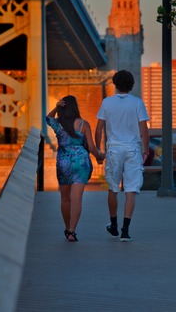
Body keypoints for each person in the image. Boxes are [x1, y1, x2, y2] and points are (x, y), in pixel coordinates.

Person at [95, 70, 150, 242]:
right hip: (133, 149)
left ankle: (113, 226)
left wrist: (98, 150)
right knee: (131, 190)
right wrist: (146, 150)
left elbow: (99, 129)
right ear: (131, 84)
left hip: (113, 149)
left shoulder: (107, 103)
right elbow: (144, 130)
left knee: (113, 188)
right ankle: (125, 230)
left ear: (115, 84)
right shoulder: (137, 103)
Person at [46, 95, 104, 242]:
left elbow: (47, 118)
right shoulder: (83, 124)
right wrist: (99, 156)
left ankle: (67, 229)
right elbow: (91, 147)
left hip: (63, 162)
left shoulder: (58, 124)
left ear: (63, 108)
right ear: (75, 108)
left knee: (65, 198)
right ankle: (72, 231)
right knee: (76, 198)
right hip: (81, 162)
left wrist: (56, 107)